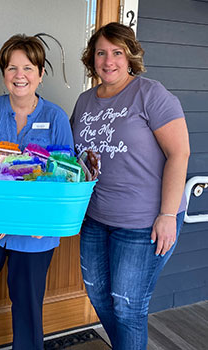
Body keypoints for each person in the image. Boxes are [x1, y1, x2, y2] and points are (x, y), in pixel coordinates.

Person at [71, 22, 190, 350]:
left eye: (117, 53)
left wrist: (167, 214)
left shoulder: (150, 94)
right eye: (101, 53)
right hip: (95, 219)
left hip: (144, 223)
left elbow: (179, 153)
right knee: (98, 296)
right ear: (91, 58)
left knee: (128, 306)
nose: (108, 61)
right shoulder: (83, 102)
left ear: (130, 56)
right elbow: (75, 160)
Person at [0, 34, 74, 350]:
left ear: (40, 73)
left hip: (35, 234)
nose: (19, 76)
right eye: (11, 68)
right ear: (3, 73)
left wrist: (47, 223)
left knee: (28, 308)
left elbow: (65, 178)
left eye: (28, 68)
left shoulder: (56, 118)